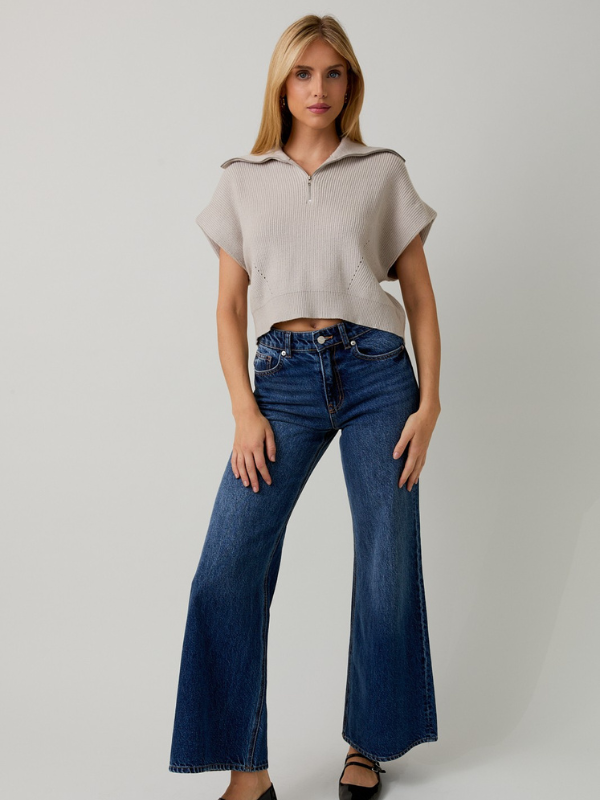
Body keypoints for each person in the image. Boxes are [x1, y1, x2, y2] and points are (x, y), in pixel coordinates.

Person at [169, 14, 441, 800]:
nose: (318, 89)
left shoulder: (381, 171)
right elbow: (228, 308)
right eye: (303, 74)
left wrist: (431, 402)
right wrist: (242, 410)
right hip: (281, 380)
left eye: (333, 74)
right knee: (226, 568)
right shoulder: (242, 179)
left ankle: (371, 745)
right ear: (281, 83)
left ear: (350, 83)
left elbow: (419, 297)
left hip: (379, 375)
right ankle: (246, 774)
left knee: (387, 565)